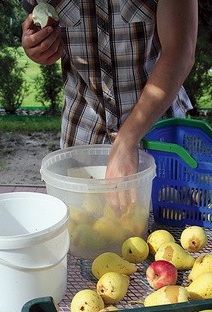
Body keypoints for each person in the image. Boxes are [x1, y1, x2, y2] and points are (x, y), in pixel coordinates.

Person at [21, 1, 198, 184]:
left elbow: (180, 52)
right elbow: (34, 21)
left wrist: (126, 140)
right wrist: (35, 45)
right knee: (82, 212)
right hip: (81, 137)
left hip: (160, 137)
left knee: (167, 210)